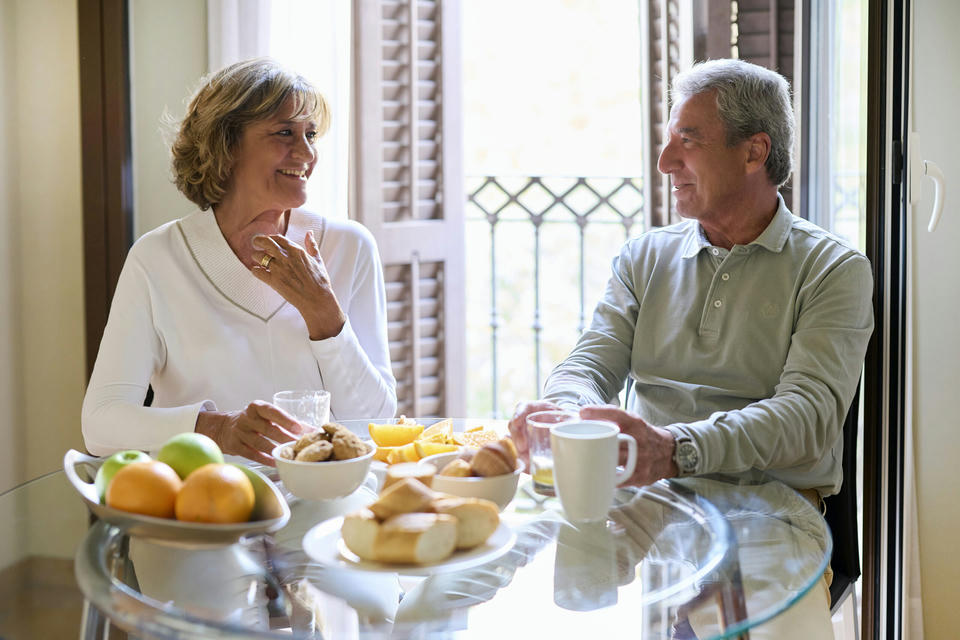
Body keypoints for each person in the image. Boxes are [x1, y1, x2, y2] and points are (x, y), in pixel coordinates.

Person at [508, 59, 873, 635]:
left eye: (688, 140)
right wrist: (568, 411)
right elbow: (590, 361)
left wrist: (674, 448)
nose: (664, 163)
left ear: (754, 152)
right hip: (645, 500)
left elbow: (809, 416)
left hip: (771, 512)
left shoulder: (833, 270)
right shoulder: (642, 258)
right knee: (537, 593)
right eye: (667, 142)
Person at [82, 58, 397, 466]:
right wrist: (217, 429)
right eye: (285, 132)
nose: (306, 153)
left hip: (324, 512)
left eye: (311, 134)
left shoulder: (349, 246)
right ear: (225, 145)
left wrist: (324, 315)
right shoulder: (157, 258)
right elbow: (101, 424)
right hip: (202, 511)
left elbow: (376, 420)